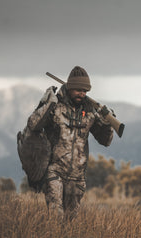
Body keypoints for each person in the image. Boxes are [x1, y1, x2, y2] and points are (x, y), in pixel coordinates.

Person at [26, 66, 115, 218]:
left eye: (85, 91)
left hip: (78, 177)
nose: (82, 93)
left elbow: (105, 141)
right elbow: (33, 124)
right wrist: (48, 104)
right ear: (69, 87)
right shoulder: (55, 106)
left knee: (70, 222)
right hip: (55, 172)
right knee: (56, 217)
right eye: (78, 90)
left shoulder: (90, 112)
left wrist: (107, 123)